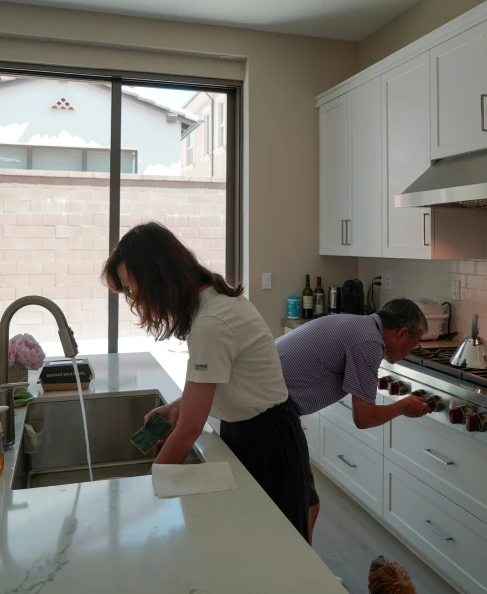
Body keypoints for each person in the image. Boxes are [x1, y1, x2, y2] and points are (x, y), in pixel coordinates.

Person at [101, 222, 310, 541]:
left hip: (268, 440)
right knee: (253, 544)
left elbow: (190, 428)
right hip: (249, 429)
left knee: (277, 548)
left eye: (132, 287)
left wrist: (150, 484)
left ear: (158, 276)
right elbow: (217, 379)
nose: (134, 298)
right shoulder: (211, 301)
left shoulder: (211, 322)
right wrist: (177, 407)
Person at [275, 298, 432, 539]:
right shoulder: (369, 342)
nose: (411, 352)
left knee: (300, 505)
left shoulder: (358, 325)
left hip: (266, 405)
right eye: (414, 344)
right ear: (402, 333)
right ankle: (300, 575)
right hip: (272, 414)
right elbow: (364, 418)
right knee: (304, 507)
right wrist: (403, 406)